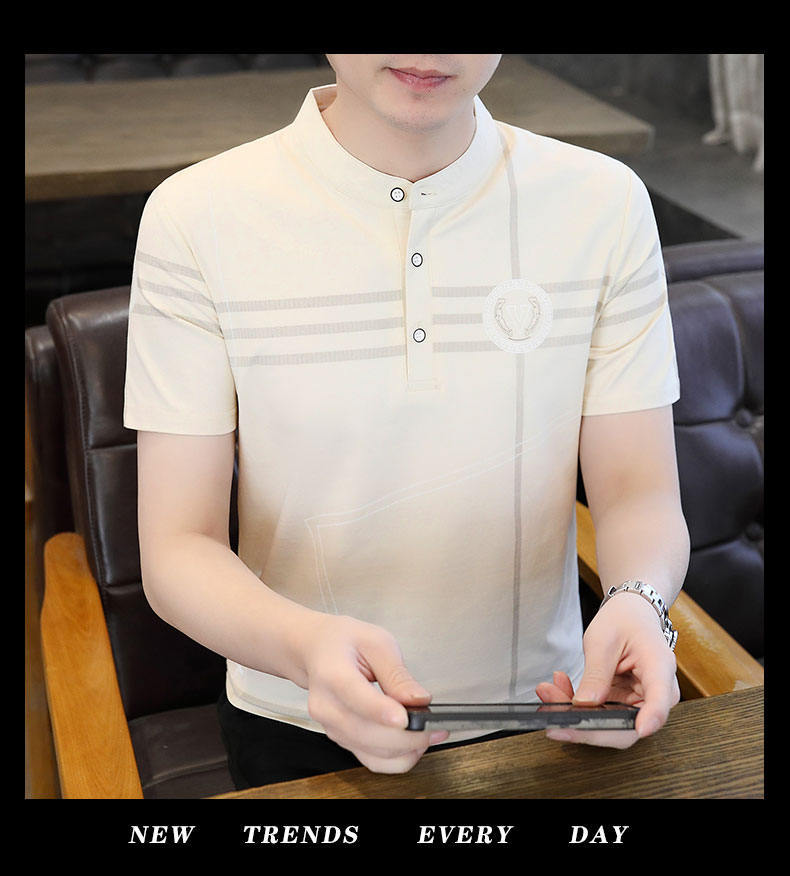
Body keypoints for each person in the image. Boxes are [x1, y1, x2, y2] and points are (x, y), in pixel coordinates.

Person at [124, 54, 690, 789]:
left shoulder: (603, 202)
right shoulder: (195, 215)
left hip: (556, 709)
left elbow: (638, 492)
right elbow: (178, 546)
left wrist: (640, 600)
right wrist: (305, 647)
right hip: (298, 715)